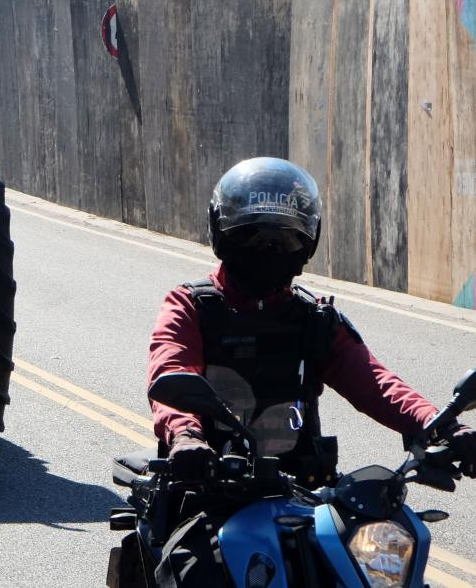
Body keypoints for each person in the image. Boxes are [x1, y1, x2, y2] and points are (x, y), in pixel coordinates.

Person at [147, 156, 476, 586]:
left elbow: (374, 380)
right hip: (211, 489)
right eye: (252, 236)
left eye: (284, 239)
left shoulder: (313, 319)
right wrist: (187, 436)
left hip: (306, 491)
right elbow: (170, 367)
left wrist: (440, 427)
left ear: (307, 243)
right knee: (195, 573)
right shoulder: (191, 306)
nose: (268, 250)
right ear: (222, 235)